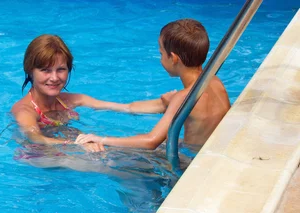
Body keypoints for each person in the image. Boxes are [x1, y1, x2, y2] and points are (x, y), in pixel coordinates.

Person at [76, 19, 230, 150]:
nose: (160, 58)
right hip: (210, 151)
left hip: (190, 163)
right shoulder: (215, 82)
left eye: (161, 53)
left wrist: (102, 139)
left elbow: (151, 141)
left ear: (174, 58)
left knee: (108, 156)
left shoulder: (184, 97)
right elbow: (133, 107)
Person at [11, 34, 131, 152]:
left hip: (66, 146)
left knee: (135, 154)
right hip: (36, 154)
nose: (54, 78)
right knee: (108, 163)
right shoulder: (25, 110)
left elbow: (118, 107)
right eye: (45, 70)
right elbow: (36, 138)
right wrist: (76, 145)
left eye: (61, 69)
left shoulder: (68, 100)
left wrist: (141, 108)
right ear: (30, 71)